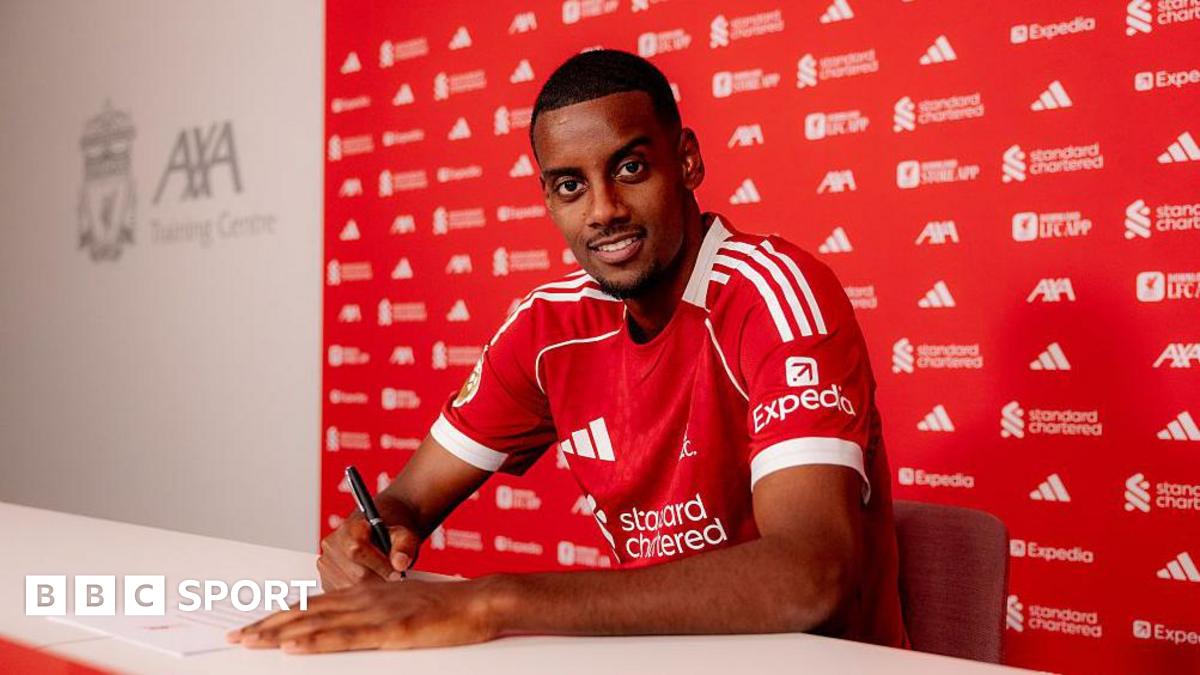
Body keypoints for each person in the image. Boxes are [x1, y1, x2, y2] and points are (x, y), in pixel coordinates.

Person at [229, 49, 909, 654]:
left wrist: (489, 601)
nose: (603, 209)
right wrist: (368, 538)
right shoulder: (548, 327)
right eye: (570, 185)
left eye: (631, 167)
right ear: (549, 198)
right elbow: (409, 497)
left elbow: (809, 575)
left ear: (689, 160)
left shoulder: (776, 295)